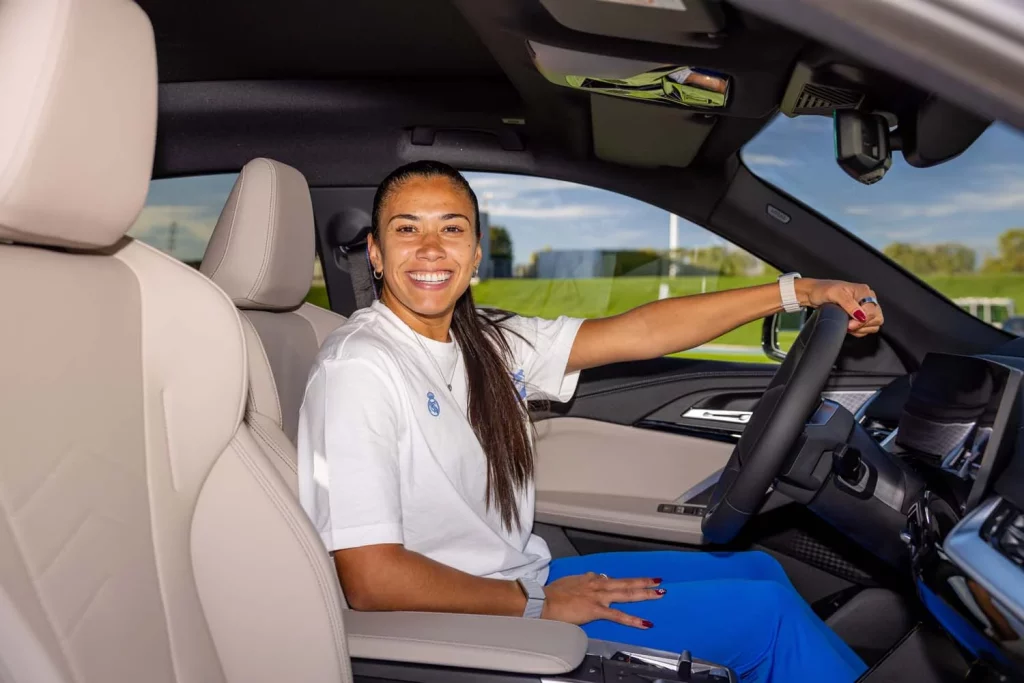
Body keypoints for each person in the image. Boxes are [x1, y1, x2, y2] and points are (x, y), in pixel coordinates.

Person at [297, 160, 883, 683]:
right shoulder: (360, 367)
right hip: (471, 617)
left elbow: (642, 332)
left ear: (475, 254)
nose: (430, 249)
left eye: (451, 228)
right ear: (376, 253)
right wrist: (537, 604)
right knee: (767, 620)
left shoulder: (487, 341)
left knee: (759, 571)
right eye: (408, 229)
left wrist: (799, 291)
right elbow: (372, 579)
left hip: (518, 578)